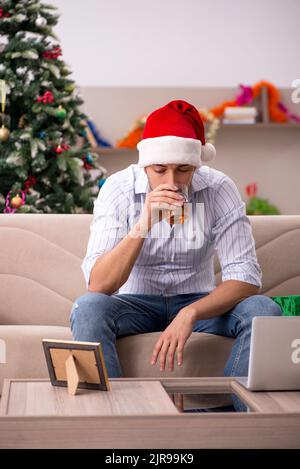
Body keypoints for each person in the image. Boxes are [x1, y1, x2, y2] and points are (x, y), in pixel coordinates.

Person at [70, 100, 281, 411]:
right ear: (145, 165)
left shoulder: (218, 188)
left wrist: (190, 313)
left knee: (263, 309)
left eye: (183, 169)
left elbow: (246, 276)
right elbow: (99, 284)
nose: (171, 182)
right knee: (88, 308)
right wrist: (144, 223)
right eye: (159, 170)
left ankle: (237, 423)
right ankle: (114, 420)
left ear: (196, 164)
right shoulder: (118, 189)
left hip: (197, 300)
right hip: (134, 304)